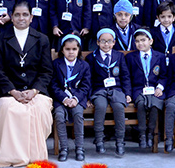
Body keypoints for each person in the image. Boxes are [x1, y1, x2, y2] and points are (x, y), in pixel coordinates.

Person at [0, 2, 53, 167]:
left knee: (39, 108)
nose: (21, 18)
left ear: (31, 17)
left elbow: (46, 71)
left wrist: (34, 91)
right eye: (17, 15)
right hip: (9, 92)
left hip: (36, 91)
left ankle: (34, 156)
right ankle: (12, 156)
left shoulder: (42, 39)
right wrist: (13, 92)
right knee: (8, 108)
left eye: (25, 15)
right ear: (11, 17)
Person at [86, 28, 130, 156]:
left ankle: (120, 141)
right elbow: (88, 79)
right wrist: (88, 97)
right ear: (98, 42)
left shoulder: (119, 56)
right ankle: (99, 139)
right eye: (103, 41)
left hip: (116, 89)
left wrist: (127, 93)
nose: (106, 44)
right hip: (99, 90)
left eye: (109, 41)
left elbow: (125, 76)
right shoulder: (92, 57)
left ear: (114, 42)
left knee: (119, 107)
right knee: (100, 106)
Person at [50, 34, 90, 161]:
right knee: (59, 116)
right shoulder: (56, 64)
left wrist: (75, 99)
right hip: (60, 98)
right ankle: (64, 148)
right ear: (62, 50)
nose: (71, 52)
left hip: (77, 99)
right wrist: (64, 99)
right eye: (67, 49)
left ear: (79, 50)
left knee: (78, 115)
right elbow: (53, 85)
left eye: (74, 49)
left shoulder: (84, 65)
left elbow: (85, 86)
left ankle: (79, 148)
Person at [125, 28, 167, 149]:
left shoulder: (160, 56)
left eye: (143, 40)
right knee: (141, 104)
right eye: (137, 41)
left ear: (151, 41)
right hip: (139, 89)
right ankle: (142, 134)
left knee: (155, 105)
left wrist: (160, 87)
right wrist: (128, 93)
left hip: (155, 89)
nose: (140, 43)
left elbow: (164, 75)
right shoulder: (130, 57)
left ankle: (151, 133)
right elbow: (127, 77)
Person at [152, 1, 175, 66]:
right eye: (163, 17)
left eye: (169, 16)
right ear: (158, 18)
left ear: (174, 17)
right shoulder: (153, 32)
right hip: (158, 64)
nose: (166, 20)